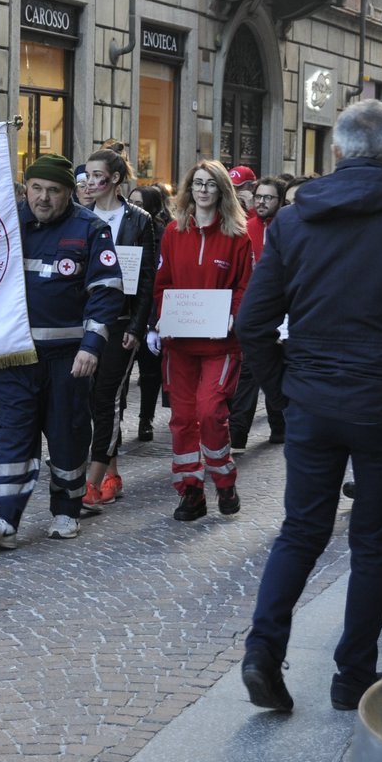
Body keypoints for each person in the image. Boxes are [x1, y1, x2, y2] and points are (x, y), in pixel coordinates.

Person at [235, 99, 382, 713]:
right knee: (373, 541)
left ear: (335, 152)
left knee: (301, 532)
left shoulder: (292, 221)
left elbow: (253, 322)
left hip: (314, 396)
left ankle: (263, 649)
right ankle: (351, 676)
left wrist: (285, 388)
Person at [0, 153, 123, 549]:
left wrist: (92, 345)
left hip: (69, 358)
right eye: (36, 188)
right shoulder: (5, 224)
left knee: (67, 433)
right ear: (25, 188)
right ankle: (3, 517)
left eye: (53, 191)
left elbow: (105, 291)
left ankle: (67, 509)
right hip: (15, 355)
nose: (43, 198)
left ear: (70, 192)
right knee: (14, 434)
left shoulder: (91, 229)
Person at [152, 160, 256, 520]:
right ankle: (191, 492)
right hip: (179, 344)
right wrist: (162, 318)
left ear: (222, 190)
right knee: (182, 418)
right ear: (188, 189)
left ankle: (224, 480)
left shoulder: (237, 237)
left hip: (220, 344)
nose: (203, 190)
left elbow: (246, 287)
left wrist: (232, 317)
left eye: (210, 184)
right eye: (197, 183)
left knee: (211, 412)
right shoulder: (172, 232)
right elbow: (162, 283)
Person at [80, 148, 156, 510]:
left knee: (106, 398)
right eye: (87, 175)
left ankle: (92, 481)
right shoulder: (81, 216)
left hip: (122, 322)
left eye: (97, 175)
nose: (90, 182)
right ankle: (111, 472)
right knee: (89, 398)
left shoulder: (138, 220)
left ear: (114, 178)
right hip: (85, 320)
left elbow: (146, 280)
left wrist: (139, 327)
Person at [229, 176, 288, 448]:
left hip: (284, 310)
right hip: (253, 311)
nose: (262, 202)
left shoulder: (288, 228)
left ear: (280, 201)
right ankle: (238, 432)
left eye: (268, 198)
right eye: (259, 197)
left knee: (281, 369)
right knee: (249, 372)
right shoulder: (244, 228)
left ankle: (280, 426)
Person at [125, 185, 172, 442]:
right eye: (130, 201)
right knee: (118, 370)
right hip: (126, 312)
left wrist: (154, 322)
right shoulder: (123, 230)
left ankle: (146, 418)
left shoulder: (164, 236)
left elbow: (160, 281)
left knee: (150, 373)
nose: (133, 206)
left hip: (151, 312)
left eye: (139, 202)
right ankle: (116, 418)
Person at [228, 165, 262, 255]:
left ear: (252, 187)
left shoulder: (262, 205)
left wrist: (252, 210)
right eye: (231, 187)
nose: (234, 192)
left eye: (238, 187)